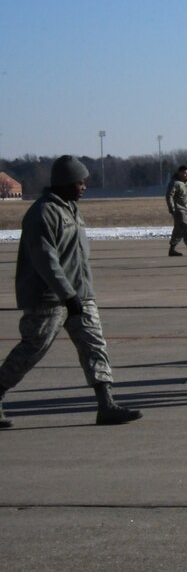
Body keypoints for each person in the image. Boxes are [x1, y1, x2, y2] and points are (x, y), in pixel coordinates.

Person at [0, 156, 142, 428]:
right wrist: (66, 294)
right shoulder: (43, 213)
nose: (84, 187)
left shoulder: (71, 209)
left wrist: (80, 292)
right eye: (80, 182)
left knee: (94, 346)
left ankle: (106, 404)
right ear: (65, 183)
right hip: (49, 298)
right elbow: (45, 259)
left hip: (81, 294)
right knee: (33, 349)